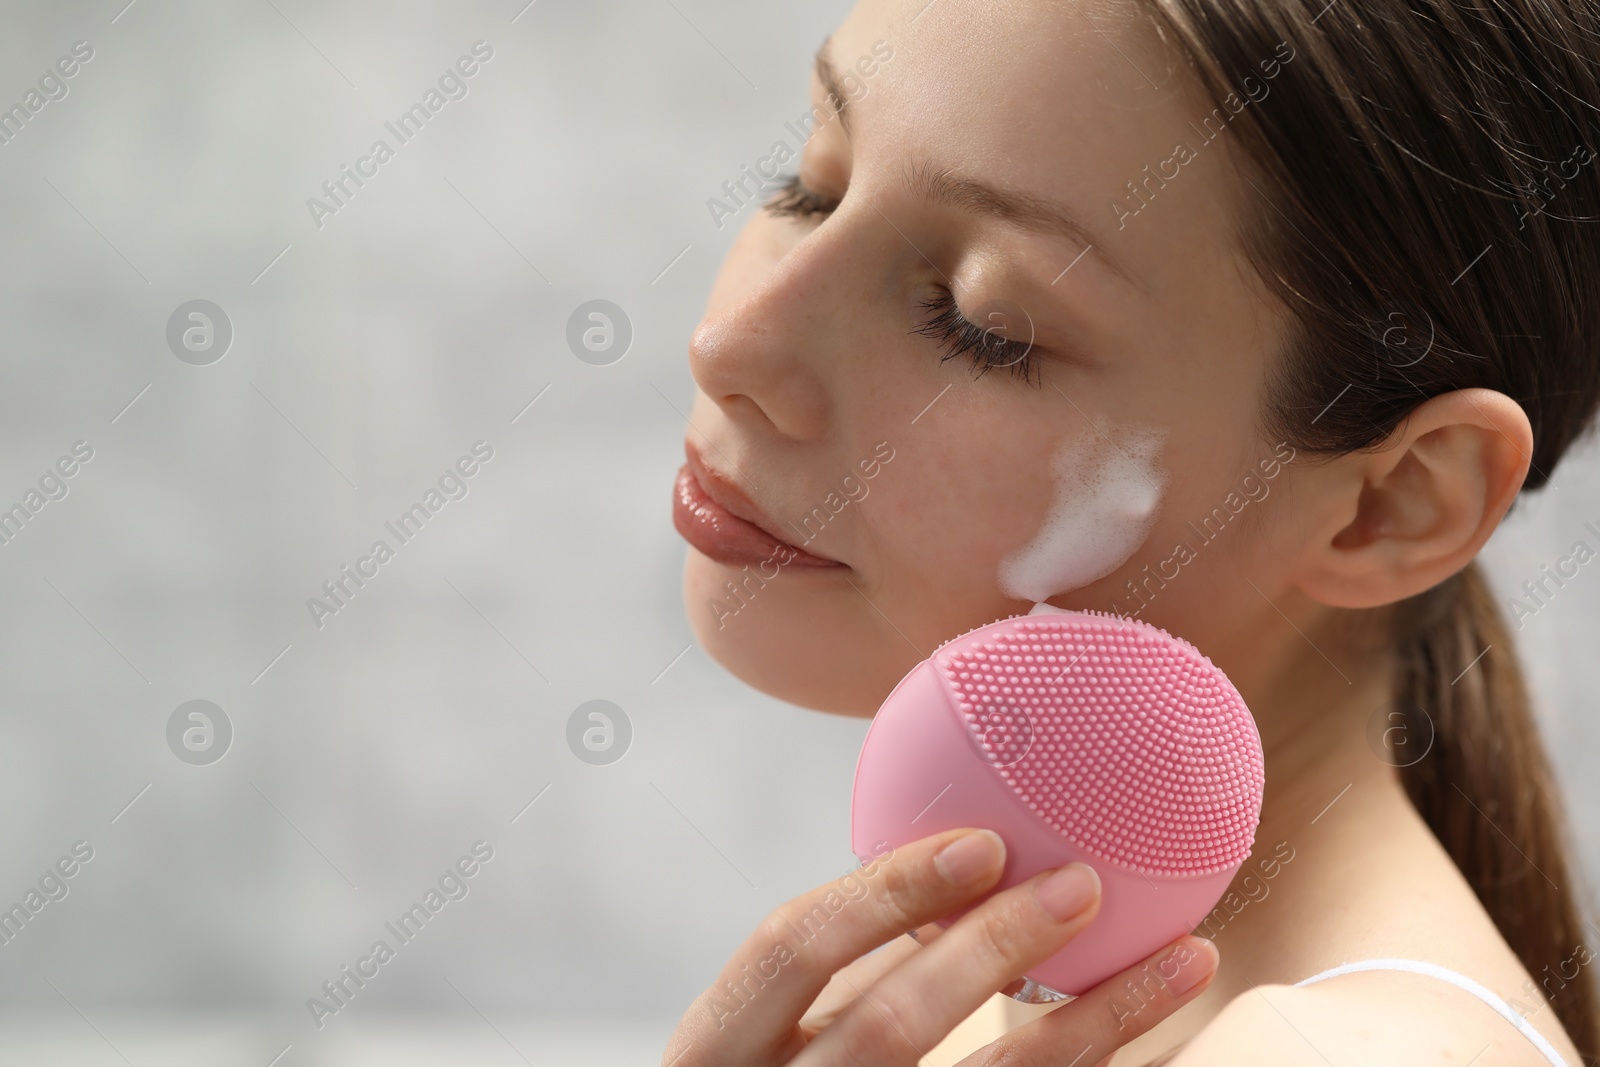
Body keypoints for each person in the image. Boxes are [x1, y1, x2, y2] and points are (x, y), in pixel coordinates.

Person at [662, 0, 1600, 1061]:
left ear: (1394, 503)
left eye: (981, 325)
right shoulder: (1000, 986)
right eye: (812, 186)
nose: (730, 346)